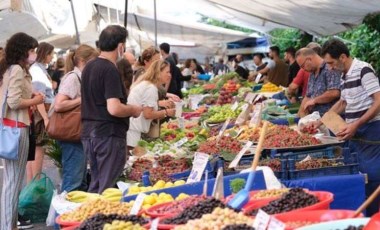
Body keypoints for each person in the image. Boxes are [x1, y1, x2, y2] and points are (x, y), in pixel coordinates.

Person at [313, 38, 380, 216]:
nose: (329, 67)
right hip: (356, 133)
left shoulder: (363, 70)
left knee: (373, 176)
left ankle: (374, 218)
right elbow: (343, 103)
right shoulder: (344, 75)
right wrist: (319, 122)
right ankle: (367, 216)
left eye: (331, 63)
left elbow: (378, 101)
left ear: (343, 57)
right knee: (363, 176)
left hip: (372, 132)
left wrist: (356, 124)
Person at [81, 25, 142, 193]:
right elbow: (114, 108)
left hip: (90, 134)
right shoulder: (109, 69)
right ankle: (100, 218)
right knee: (106, 188)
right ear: (120, 46)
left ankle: (89, 217)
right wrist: (133, 109)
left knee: (96, 183)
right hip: (107, 135)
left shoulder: (89, 67)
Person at [0, 32, 44, 230]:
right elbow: (14, 101)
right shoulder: (17, 69)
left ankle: (9, 224)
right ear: (22, 50)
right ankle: (8, 226)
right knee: (13, 182)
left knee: (12, 181)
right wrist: (35, 100)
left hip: (13, 129)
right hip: (16, 130)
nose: (34, 53)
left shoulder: (11, 68)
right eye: (32, 49)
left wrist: (31, 95)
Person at [54, 44, 99, 193]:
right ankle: (64, 213)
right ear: (82, 61)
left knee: (78, 178)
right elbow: (59, 105)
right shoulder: (73, 78)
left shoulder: (81, 77)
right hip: (72, 135)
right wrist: (82, 99)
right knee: (72, 179)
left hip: (79, 134)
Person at [127, 60, 176, 149]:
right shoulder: (151, 88)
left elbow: (146, 110)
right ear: (158, 72)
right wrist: (166, 112)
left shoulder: (147, 85)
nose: (170, 75)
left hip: (132, 130)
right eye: (167, 72)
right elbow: (148, 114)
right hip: (133, 133)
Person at [27, 42, 55, 183]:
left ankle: (31, 184)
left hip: (39, 112)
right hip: (40, 113)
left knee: (35, 149)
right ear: (45, 53)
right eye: (51, 54)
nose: (52, 57)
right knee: (38, 149)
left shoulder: (39, 69)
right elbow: (39, 98)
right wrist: (45, 118)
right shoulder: (37, 70)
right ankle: (35, 183)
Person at [295, 48, 341, 117]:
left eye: (302, 65)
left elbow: (334, 92)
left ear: (309, 59)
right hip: (313, 118)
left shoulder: (329, 67)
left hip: (328, 118)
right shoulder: (312, 73)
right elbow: (308, 96)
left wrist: (314, 100)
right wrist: (299, 115)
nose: (303, 69)